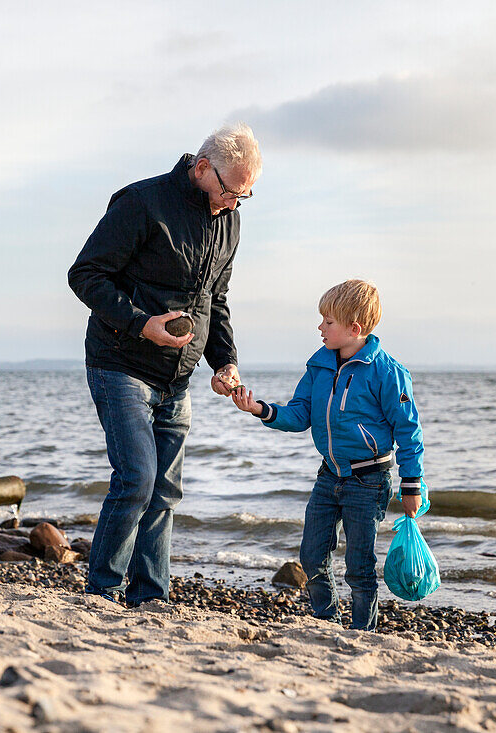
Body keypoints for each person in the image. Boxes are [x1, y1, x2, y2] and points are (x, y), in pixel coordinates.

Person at [68, 123, 262, 605]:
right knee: (137, 478)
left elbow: (215, 299)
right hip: (120, 362)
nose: (236, 203)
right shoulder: (140, 203)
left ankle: (150, 596)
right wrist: (141, 323)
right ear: (202, 169)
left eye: (246, 195)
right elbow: (85, 274)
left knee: (165, 492)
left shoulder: (229, 220)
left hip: (179, 379)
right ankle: (101, 592)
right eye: (232, 191)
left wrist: (226, 362)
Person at [229, 279, 424, 630]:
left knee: (359, 564)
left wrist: (412, 484)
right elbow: (300, 413)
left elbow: (409, 432)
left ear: (354, 328)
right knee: (312, 555)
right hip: (328, 477)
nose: (320, 328)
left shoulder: (387, 372)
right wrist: (261, 409)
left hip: (369, 481)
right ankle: (327, 618)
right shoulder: (319, 366)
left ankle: (363, 630)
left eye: (328, 322)